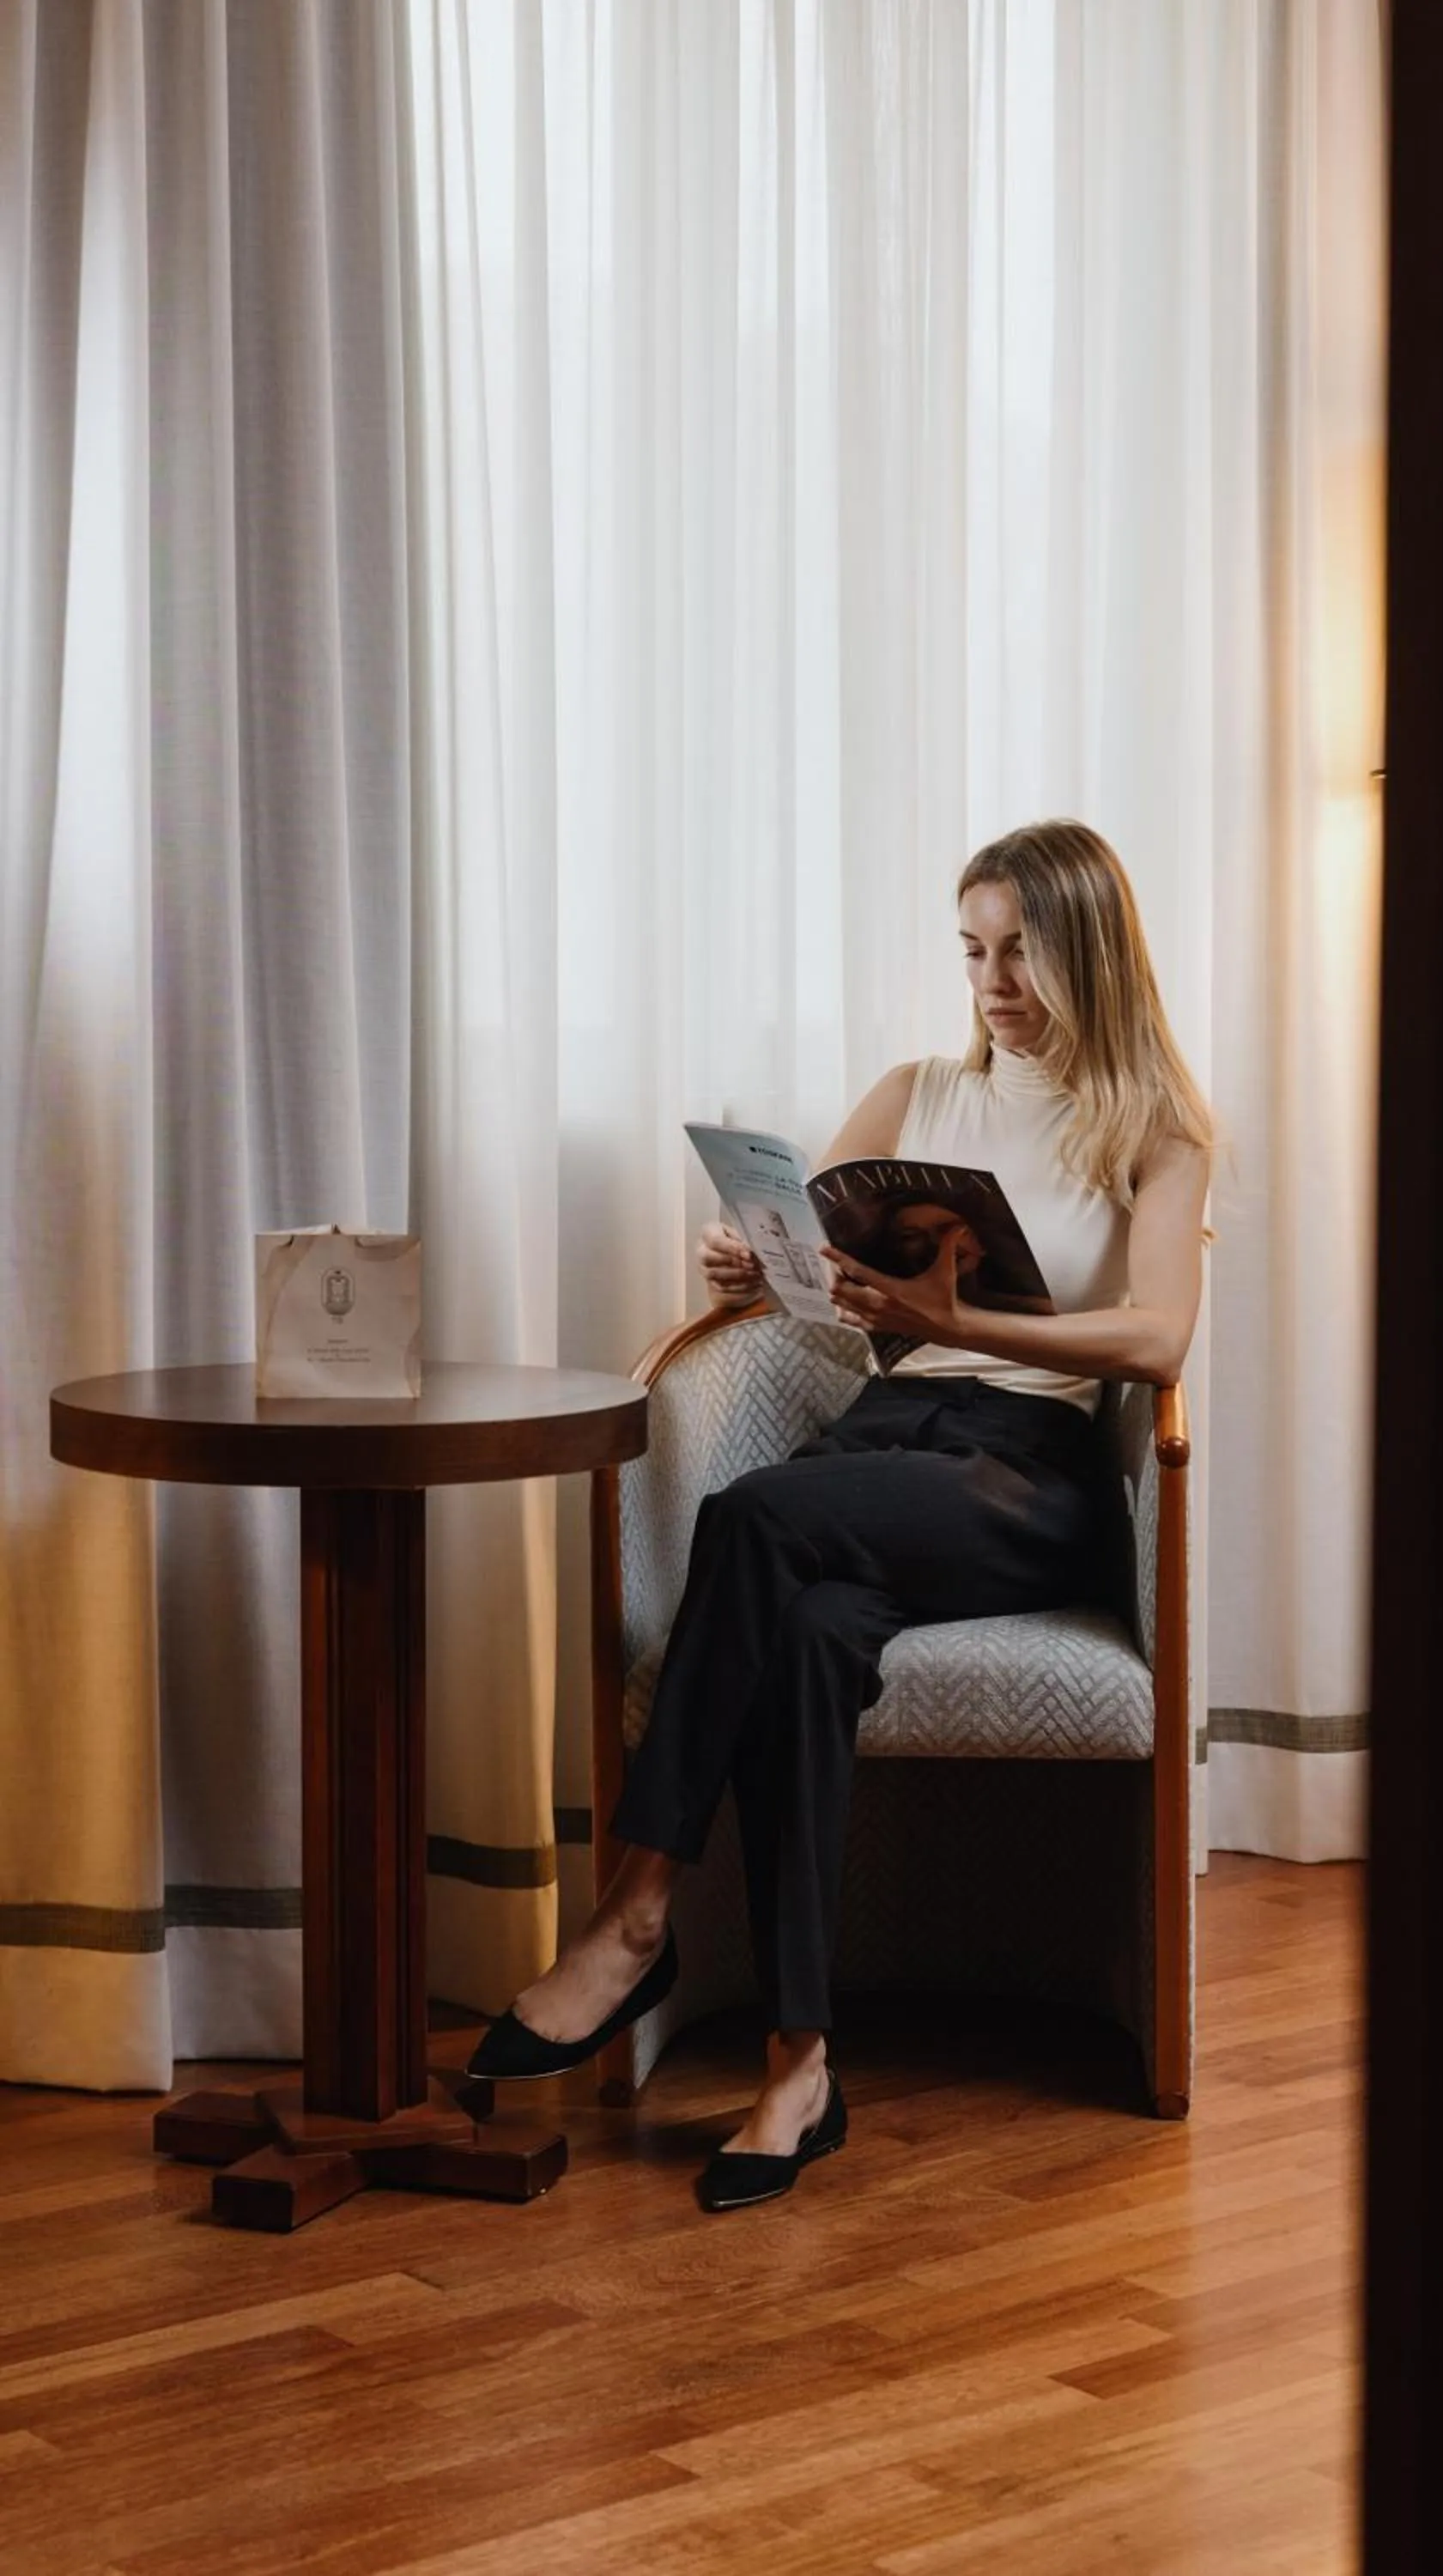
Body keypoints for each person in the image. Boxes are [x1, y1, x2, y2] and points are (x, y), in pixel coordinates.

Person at [469, 819, 1214, 2210]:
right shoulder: (917, 1090)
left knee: (753, 1518)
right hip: (883, 1448)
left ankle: (638, 1911)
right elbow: (811, 1259)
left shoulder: (1156, 1128)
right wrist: (750, 1269)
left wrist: (962, 1316)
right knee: (807, 1632)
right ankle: (800, 2065)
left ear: (1089, 952)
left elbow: (1160, 1341)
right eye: (975, 950)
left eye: (1023, 952)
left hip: (1026, 1473)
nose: (993, 983)